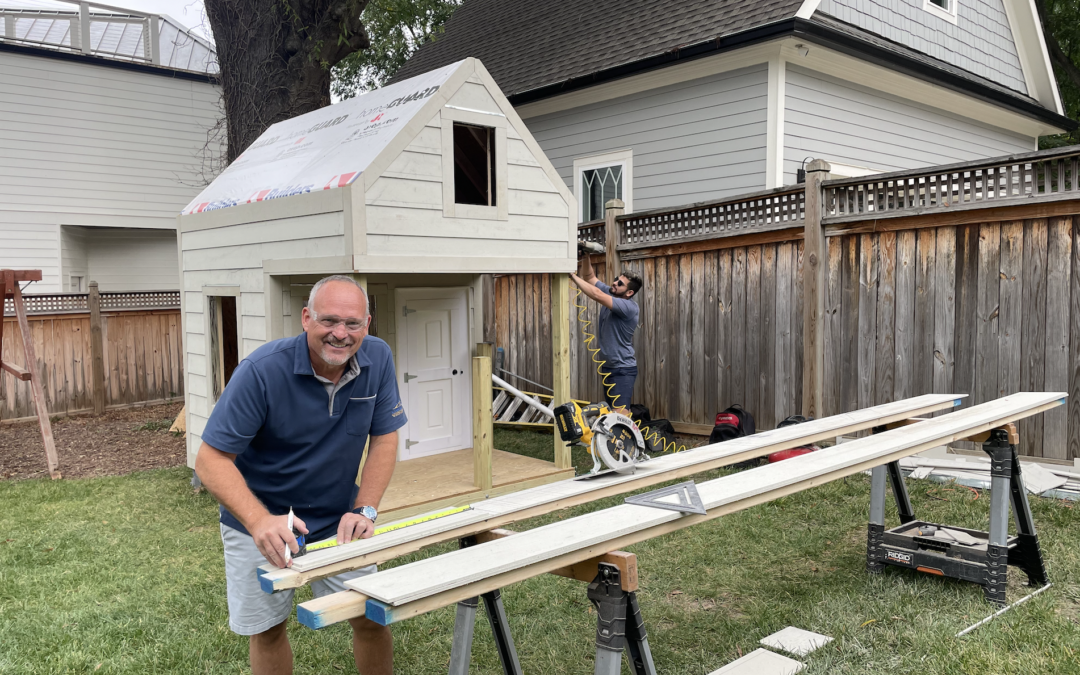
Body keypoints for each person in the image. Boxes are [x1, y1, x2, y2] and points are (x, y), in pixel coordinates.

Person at [195, 275, 406, 675]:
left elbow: (384, 438)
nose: (340, 334)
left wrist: (366, 508)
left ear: (368, 323)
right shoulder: (261, 371)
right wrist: (258, 521)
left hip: (339, 519)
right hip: (260, 520)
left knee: (370, 614)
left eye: (353, 323)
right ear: (306, 318)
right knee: (269, 630)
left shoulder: (378, 357)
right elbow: (210, 460)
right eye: (329, 321)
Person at [569, 253, 643, 412]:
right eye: (617, 278)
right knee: (612, 416)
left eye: (620, 283)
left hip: (623, 369)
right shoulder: (612, 292)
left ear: (629, 293)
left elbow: (596, 294)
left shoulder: (628, 307)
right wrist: (585, 256)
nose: (615, 282)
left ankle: (633, 437)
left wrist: (571, 275)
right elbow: (589, 277)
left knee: (620, 416)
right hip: (609, 368)